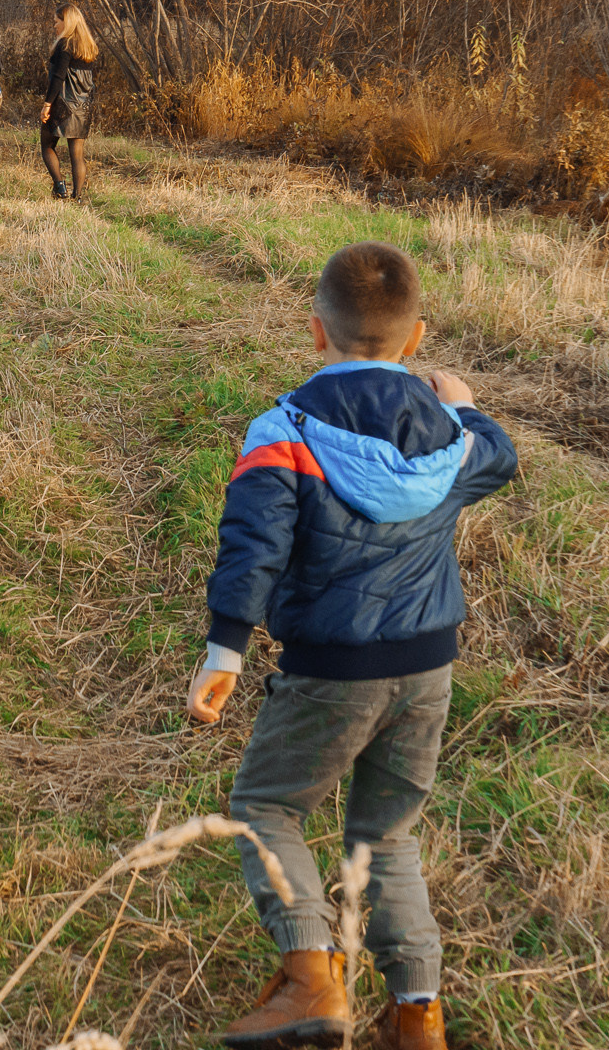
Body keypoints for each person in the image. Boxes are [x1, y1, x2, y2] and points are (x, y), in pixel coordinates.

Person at [188, 243, 518, 1050]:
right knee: (387, 836)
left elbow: (252, 548)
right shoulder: (448, 434)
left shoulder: (283, 431)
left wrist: (225, 650)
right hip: (427, 664)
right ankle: (417, 1015)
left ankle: (311, 977)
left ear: (315, 330)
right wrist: (466, 406)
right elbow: (500, 457)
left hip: (331, 666)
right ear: (416, 338)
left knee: (267, 807)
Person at [38, 2, 99, 200]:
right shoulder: (88, 46)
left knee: (47, 145)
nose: (54, 25)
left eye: (57, 21)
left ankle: (60, 186)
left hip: (62, 104)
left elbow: (58, 78)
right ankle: (78, 196)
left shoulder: (64, 45)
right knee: (77, 154)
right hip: (84, 106)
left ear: (67, 22)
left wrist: (47, 104)